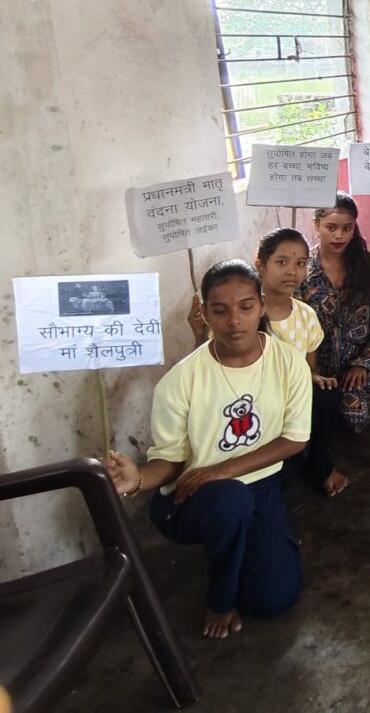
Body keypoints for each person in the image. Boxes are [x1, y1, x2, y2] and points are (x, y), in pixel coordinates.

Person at [102, 260, 310, 638]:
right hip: (193, 497)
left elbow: (295, 439)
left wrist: (222, 469)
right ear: (205, 314)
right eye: (220, 310)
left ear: (262, 306)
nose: (235, 320)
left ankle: (256, 541)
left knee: (275, 599)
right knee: (230, 502)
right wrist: (137, 479)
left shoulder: (289, 362)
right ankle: (221, 598)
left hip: (257, 485)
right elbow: (170, 460)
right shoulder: (181, 379)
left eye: (246, 306)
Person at [186, 229, 347, 498]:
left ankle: (319, 463)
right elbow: (209, 366)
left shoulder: (306, 316)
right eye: (281, 262)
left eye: (300, 263)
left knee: (326, 395)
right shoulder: (239, 318)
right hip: (250, 401)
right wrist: (199, 334)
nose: (292, 271)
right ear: (260, 265)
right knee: (275, 482)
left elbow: (310, 369)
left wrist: (314, 378)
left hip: (291, 399)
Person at [299, 193, 370, 434]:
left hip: (356, 365)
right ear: (316, 225)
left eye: (347, 228)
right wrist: (310, 371)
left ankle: (363, 400)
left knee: (354, 416)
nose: (339, 235)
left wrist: (363, 364)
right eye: (331, 228)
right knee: (309, 422)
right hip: (315, 367)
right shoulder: (303, 271)